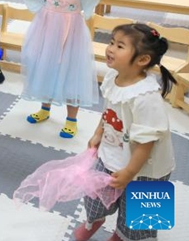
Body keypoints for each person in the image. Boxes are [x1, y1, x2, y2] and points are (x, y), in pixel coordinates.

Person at [0, 0, 132, 138]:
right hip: (45, 39)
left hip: (71, 42)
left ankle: (71, 120)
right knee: (46, 71)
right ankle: (45, 109)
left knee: (71, 78)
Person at [74, 23, 176, 241]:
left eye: (120, 46)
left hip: (148, 169)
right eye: (111, 42)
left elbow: (147, 144)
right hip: (113, 151)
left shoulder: (147, 98)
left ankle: (125, 236)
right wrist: (98, 132)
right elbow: (109, 109)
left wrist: (130, 172)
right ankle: (94, 219)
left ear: (142, 60)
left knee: (141, 219)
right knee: (94, 195)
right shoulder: (113, 77)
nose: (110, 48)